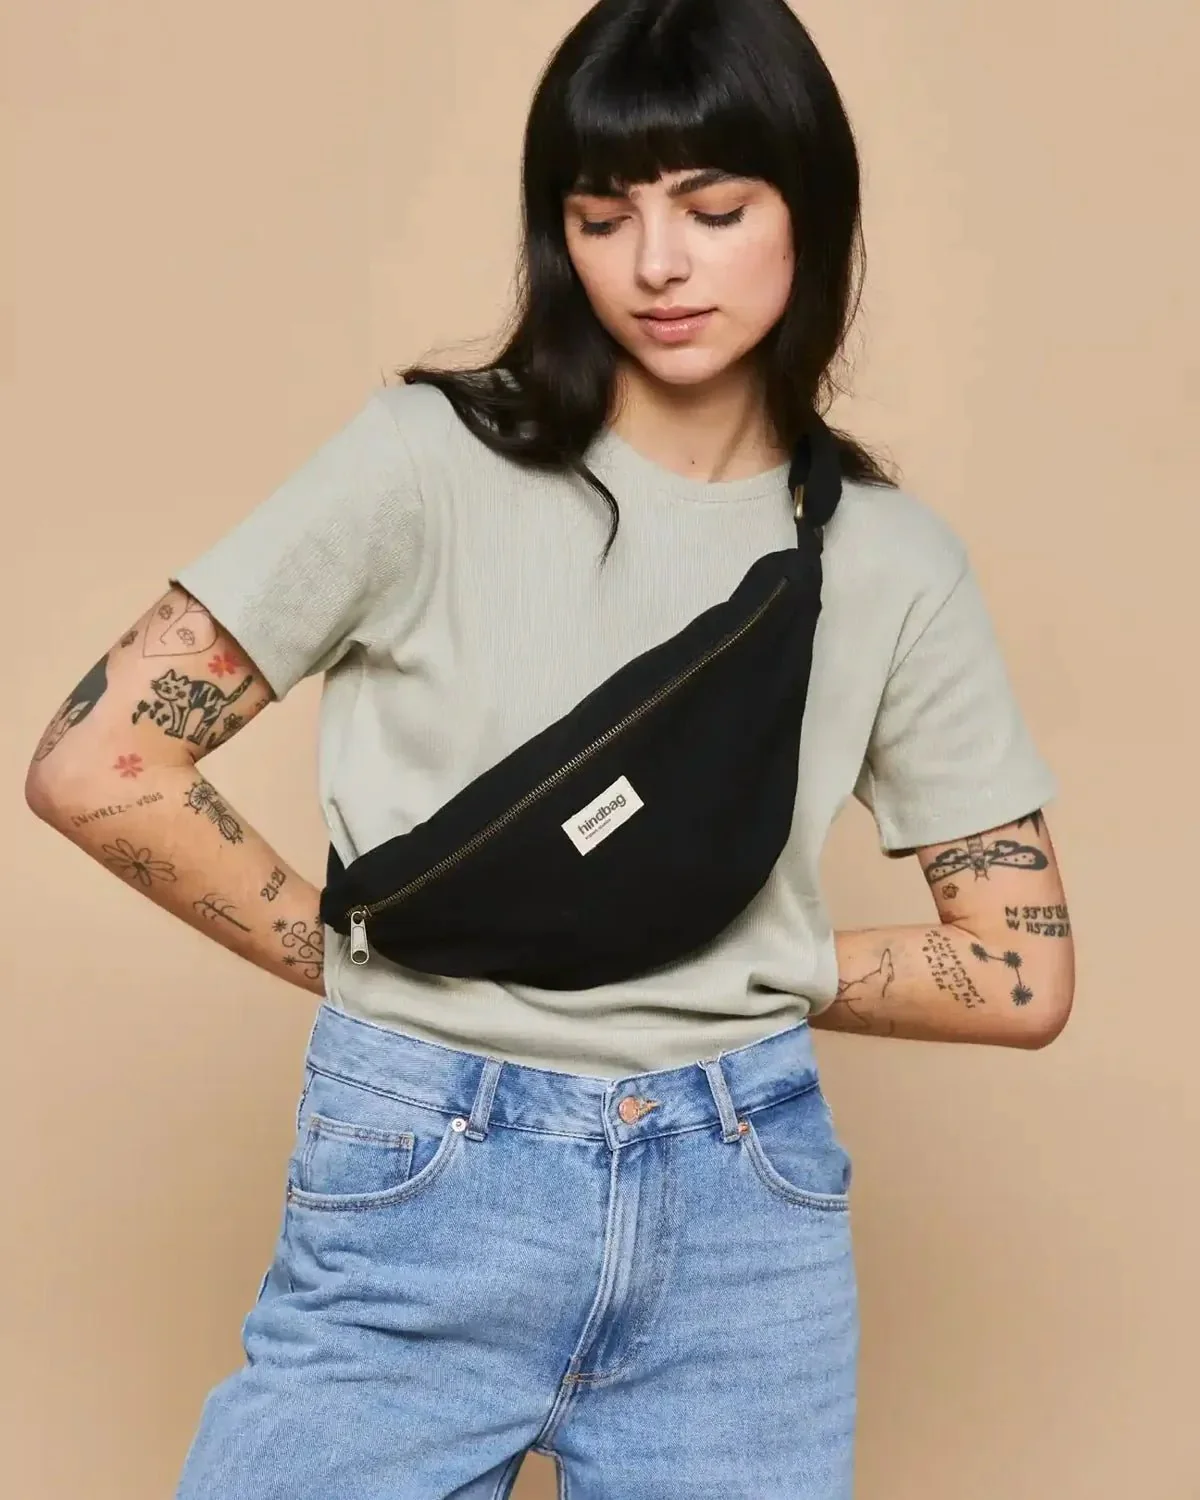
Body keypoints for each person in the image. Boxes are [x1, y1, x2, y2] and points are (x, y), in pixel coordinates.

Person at [24, 1, 1074, 1495]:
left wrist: (728, 957)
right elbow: (100, 763)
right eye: (601, 216)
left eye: (715, 210)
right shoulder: (424, 464)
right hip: (425, 1171)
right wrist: (366, 957)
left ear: (813, 210)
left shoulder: (891, 561)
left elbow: (1022, 973)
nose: (656, 264)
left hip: (743, 1213)